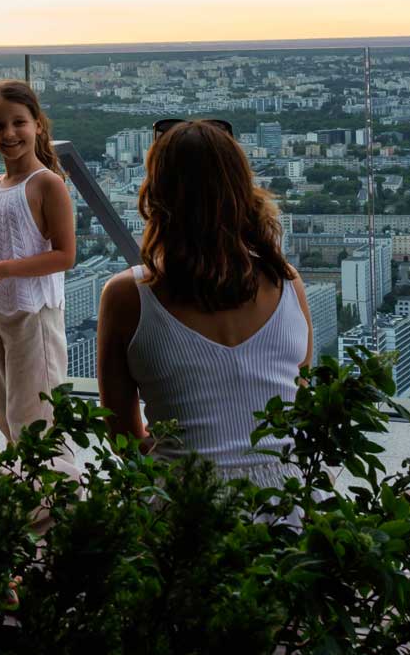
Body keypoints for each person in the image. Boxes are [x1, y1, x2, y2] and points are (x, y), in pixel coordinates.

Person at [95, 119, 313, 485]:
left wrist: (174, 466)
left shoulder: (127, 296)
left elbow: (123, 435)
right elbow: (300, 404)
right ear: (242, 190)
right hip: (286, 498)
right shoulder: (286, 282)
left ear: (157, 195)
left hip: (185, 501)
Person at [0, 80, 78, 445]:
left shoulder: (48, 184)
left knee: (38, 421)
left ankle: (52, 483)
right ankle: (24, 480)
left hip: (32, 313)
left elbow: (65, 256)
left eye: (19, 122)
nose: (9, 133)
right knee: (8, 415)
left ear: (38, 124)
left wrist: (1, 270)